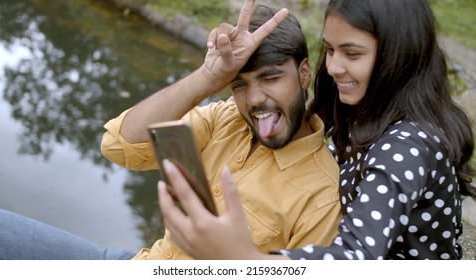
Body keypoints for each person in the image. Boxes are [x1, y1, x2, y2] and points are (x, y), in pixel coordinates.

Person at [157, 0, 476, 260]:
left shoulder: (407, 145)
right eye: (330, 49)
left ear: (399, 56)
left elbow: (355, 255)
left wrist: (244, 259)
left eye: (352, 53)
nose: (334, 66)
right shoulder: (362, 106)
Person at [99, 1, 342, 260]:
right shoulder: (224, 118)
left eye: (270, 78)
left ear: (304, 74)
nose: (254, 99)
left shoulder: (323, 196)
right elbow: (118, 146)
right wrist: (207, 77)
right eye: (239, 85)